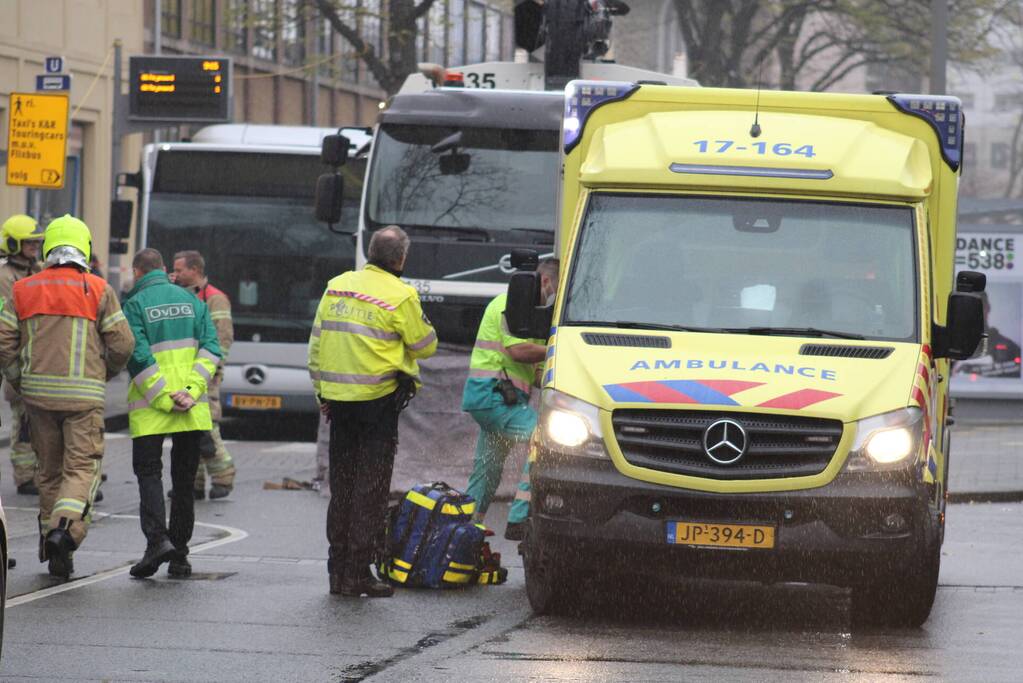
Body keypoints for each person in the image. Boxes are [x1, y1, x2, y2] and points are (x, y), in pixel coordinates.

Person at [0, 215, 134, 579]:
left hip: (38, 399)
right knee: (81, 469)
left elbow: (4, 344)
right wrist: (105, 372)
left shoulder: (23, 288)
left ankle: (51, 546)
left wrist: (20, 380)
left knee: (49, 473)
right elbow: (123, 344)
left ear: (47, 249)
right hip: (83, 399)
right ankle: (64, 531)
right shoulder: (98, 289)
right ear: (85, 249)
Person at [308, 225, 437, 597]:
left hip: (338, 403)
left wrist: (323, 394)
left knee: (343, 486)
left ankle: (337, 572)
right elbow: (426, 345)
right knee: (371, 489)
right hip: (377, 403)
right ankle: (358, 573)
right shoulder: (401, 295)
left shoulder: (337, 286)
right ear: (401, 258)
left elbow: (316, 345)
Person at [122, 248, 222, 578]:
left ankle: (157, 543)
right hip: (190, 410)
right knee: (183, 481)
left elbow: (136, 357)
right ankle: (179, 554)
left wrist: (165, 398)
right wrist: (190, 392)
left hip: (152, 409)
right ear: (164, 269)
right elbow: (211, 349)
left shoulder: (134, 304)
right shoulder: (194, 302)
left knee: (149, 473)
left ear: (138, 272)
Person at [462, 259, 559, 541]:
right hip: (494, 397)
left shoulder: (534, 317)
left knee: (487, 470)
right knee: (545, 439)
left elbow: (535, 372)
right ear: (545, 281)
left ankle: (466, 533)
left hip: (498, 399)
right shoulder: (511, 304)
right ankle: (519, 517)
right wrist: (559, 346)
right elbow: (518, 352)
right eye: (556, 289)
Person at [171, 250, 236, 499]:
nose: (175, 274)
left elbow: (223, 336)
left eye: (179, 270)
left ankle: (223, 476)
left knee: (207, 427)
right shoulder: (180, 295)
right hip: (184, 371)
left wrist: (212, 368)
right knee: (189, 428)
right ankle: (193, 483)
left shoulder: (215, 299)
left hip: (205, 372)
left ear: (195, 270)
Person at [0, 214, 44, 494]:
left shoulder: (37, 271)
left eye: (37, 243)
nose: (34, 247)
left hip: (31, 351)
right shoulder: (4, 277)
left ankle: (32, 473)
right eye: (29, 243)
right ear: (14, 243)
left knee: (31, 416)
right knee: (21, 415)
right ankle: (25, 475)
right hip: (10, 350)